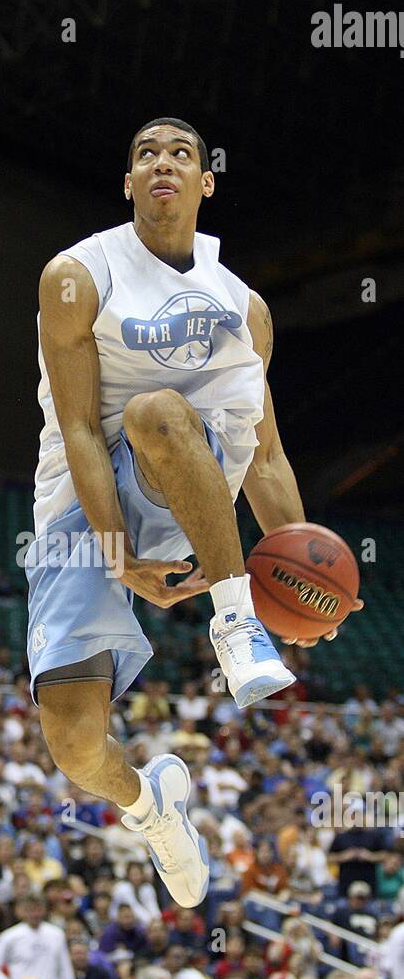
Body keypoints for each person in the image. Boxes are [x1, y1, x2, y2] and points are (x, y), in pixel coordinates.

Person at [27, 117, 361, 913]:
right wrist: (114, 553)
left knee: (158, 411)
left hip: (188, 477)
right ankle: (153, 808)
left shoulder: (243, 306)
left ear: (206, 182)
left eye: (181, 154)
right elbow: (76, 424)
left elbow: (266, 453)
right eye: (145, 154)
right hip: (86, 501)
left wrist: (308, 573)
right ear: (128, 182)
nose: (162, 164)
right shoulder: (76, 274)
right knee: (72, 743)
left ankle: (233, 623)